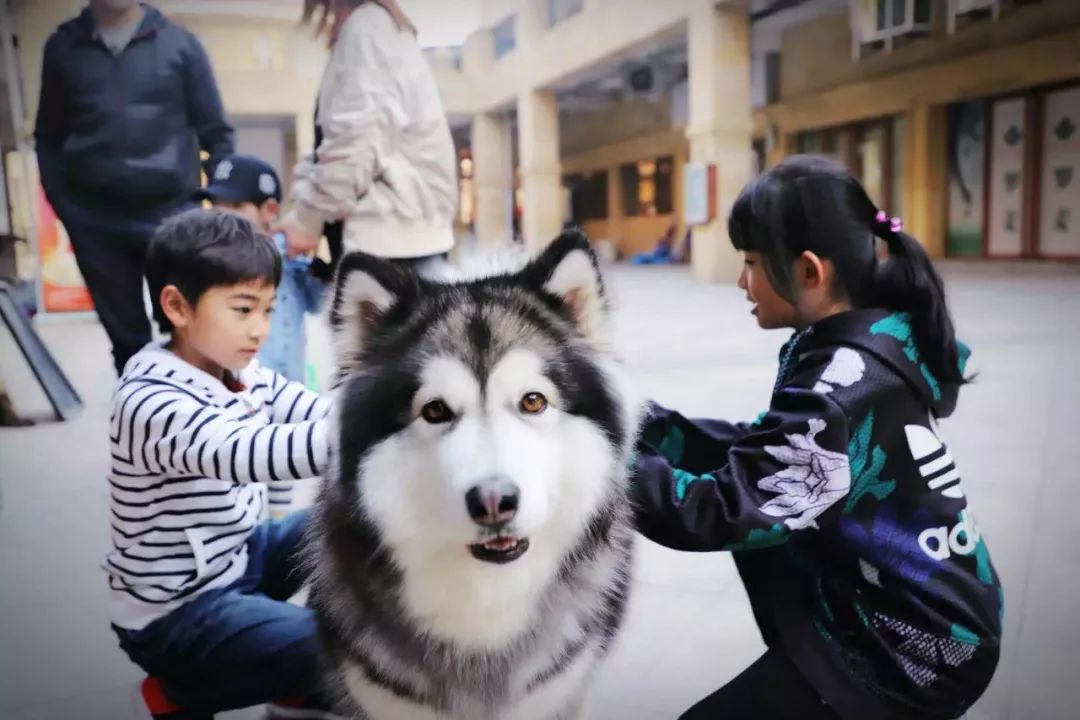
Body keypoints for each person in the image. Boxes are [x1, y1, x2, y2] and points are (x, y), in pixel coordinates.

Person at [632, 155, 1003, 720]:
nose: (741, 281)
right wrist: (642, 424)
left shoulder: (841, 384)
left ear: (810, 271)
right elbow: (770, 453)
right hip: (922, 615)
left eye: (752, 262)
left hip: (912, 648)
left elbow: (726, 509)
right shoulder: (870, 342)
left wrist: (593, 469)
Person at [105, 209, 335, 718]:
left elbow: (306, 407)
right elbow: (247, 453)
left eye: (269, 310)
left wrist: (386, 414)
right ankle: (182, 692)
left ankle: (294, 672)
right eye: (242, 309)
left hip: (237, 556)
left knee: (343, 515)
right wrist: (363, 434)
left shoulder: (240, 368)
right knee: (350, 649)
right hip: (178, 614)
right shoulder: (150, 399)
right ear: (177, 306)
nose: (260, 329)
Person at [34, 0, 234, 375]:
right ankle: (143, 425)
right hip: (95, 223)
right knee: (127, 342)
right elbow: (48, 137)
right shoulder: (62, 48)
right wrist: (66, 209)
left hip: (174, 216)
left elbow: (218, 135)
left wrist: (217, 207)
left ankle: (198, 426)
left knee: (191, 329)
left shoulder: (180, 44)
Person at [278, 0, 457, 272]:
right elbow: (336, 141)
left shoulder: (367, 28)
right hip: (401, 239)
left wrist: (306, 220)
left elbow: (354, 143)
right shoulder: (379, 27)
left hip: (390, 245)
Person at [198, 154, 326, 388]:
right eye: (215, 204)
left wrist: (319, 257)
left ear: (269, 210)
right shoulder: (208, 260)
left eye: (236, 206)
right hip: (237, 395)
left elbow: (321, 302)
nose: (221, 215)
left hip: (288, 393)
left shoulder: (289, 258)